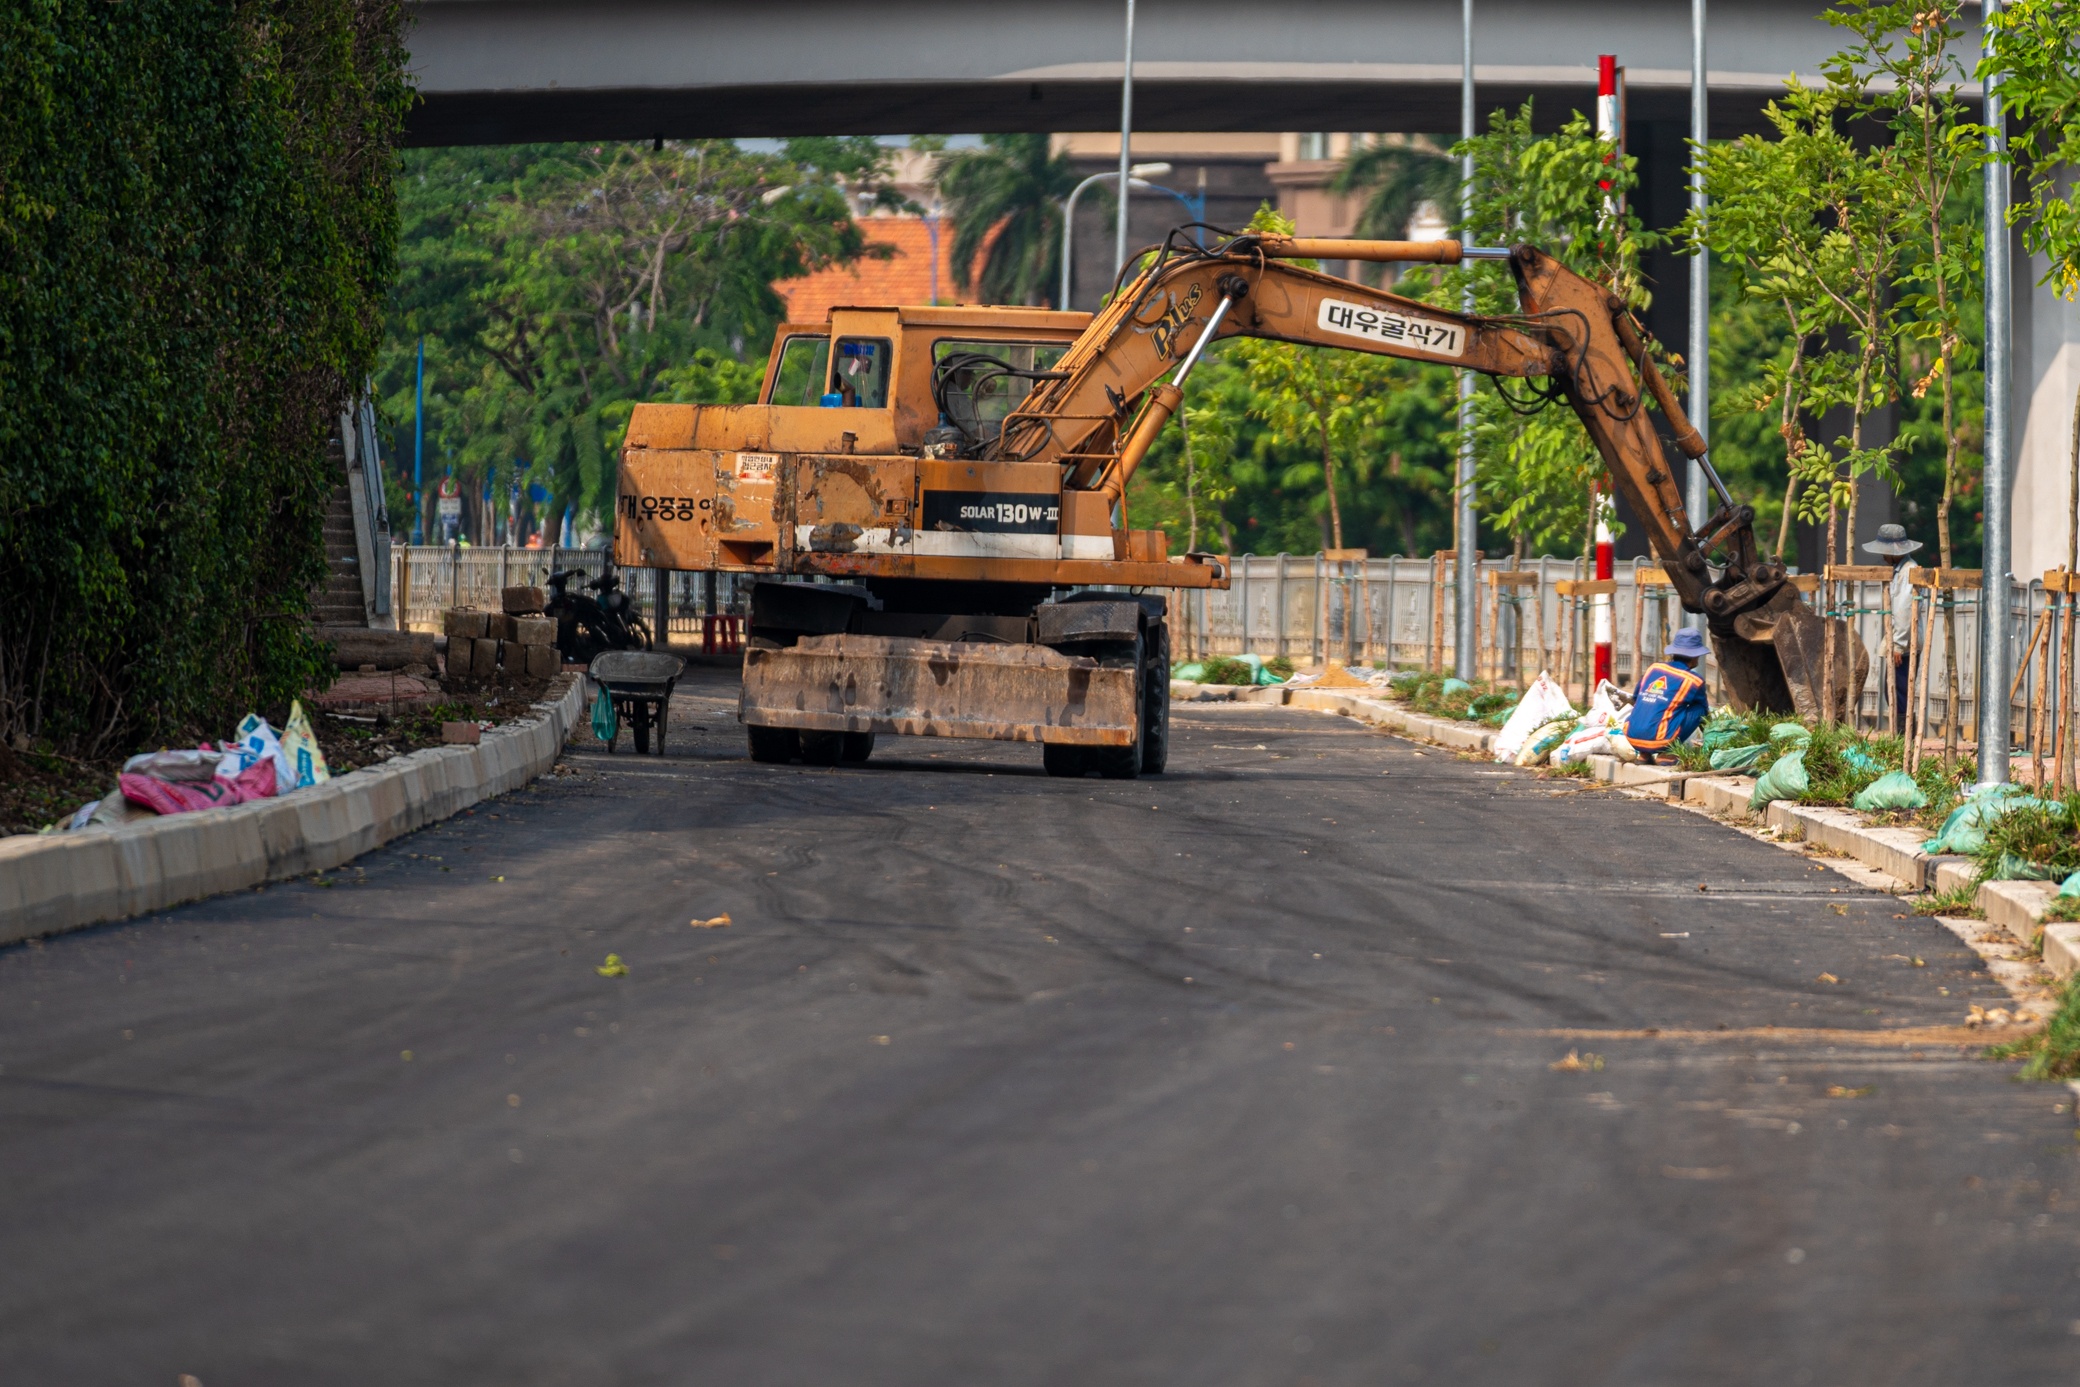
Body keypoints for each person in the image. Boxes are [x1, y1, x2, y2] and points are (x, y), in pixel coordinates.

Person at [1862, 523, 1924, 735]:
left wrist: (1897, 644)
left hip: (1904, 642)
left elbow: (1905, 610)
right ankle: (1901, 736)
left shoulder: (1908, 571)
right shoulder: (1900, 570)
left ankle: (1903, 737)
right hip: (1902, 639)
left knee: (1899, 691)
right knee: (1894, 690)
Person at [1624, 627, 1712, 763]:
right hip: (1662, 739)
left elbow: (1635, 698)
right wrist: (1710, 736)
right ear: (1695, 656)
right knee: (1699, 708)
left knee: (1647, 705)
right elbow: (1704, 714)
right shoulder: (1694, 680)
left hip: (1632, 736)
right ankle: (1667, 753)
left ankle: (1644, 754)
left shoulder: (1654, 668)